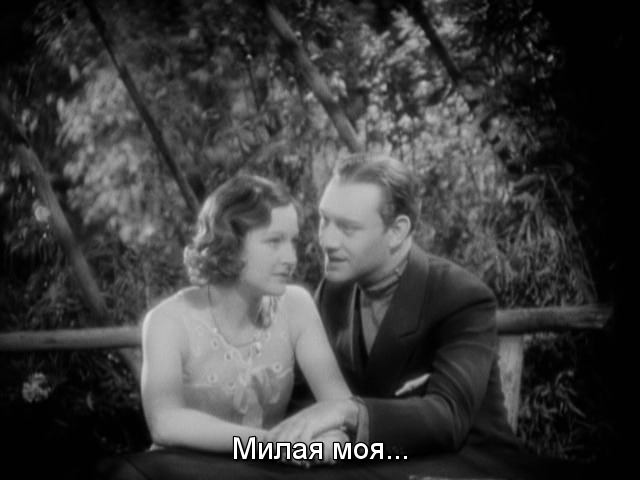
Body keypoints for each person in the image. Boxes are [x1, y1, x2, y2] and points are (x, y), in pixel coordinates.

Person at [267, 153, 521, 457]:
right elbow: (303, 400)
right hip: (369, 463)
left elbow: (448, 418)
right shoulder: (333, 292)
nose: (327, 241)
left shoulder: (461, 297)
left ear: (398, 231)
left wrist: (347, 411)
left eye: (347, 228)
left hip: (467, 465)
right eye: (325, 220)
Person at [140, 174, 350, 464]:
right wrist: (271, 445)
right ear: (230, 242)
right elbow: (165, 423)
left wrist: (330, 443)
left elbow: (342, 410)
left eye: (292, 241)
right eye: (274, 241)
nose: (291, 258)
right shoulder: (168, 321)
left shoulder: (297, 306)